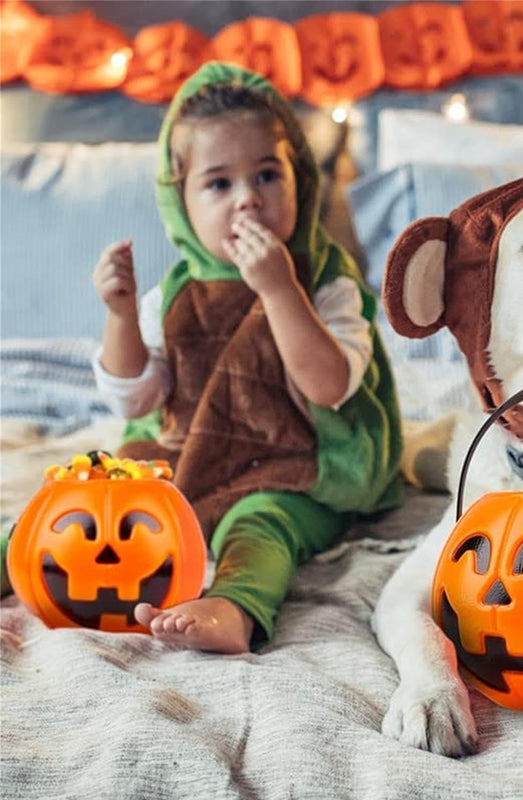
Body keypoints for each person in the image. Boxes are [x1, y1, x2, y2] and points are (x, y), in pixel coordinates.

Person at [86, 62, 402, 653]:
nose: (247, 202)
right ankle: (11, 555)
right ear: (180, 203)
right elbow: (136, 396)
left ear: (299, 181)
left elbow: (329, 387)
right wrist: (122, 315)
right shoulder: (178, 295)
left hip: (295, 474)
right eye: (218, 184)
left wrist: (280, 291)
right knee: (95, 493)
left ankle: (235, 606)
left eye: (265, 175)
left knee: (260, 524)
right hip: (191, 456)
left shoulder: (325, 283)